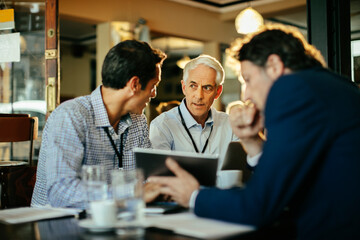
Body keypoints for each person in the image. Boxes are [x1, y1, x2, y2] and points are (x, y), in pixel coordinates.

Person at [148, 24, 360, 239]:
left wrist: (194, 196)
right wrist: (252, 141)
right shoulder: (333, 86)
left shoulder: (293, 91)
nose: (246, 94)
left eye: (247, 79)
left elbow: (259, 205)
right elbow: (287, 173)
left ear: (274, 65)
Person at [31, 40, 167, 209]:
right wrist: (133, 193)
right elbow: (62, 193)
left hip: (115, 218)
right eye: (153, 86)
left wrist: (161, 186)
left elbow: (146, 177)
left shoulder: (138, 122)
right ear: (134, 85)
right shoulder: (70, 116)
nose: (154, 94)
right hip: (58, 223)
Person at [149, 55, 239, 187]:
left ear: (218, 91)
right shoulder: (162, 125)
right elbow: (161, 180)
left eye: (207, 88)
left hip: (222, 203)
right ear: (184, 87)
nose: (199, 96)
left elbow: (240, 175)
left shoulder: (232, 125)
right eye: (193, 86)